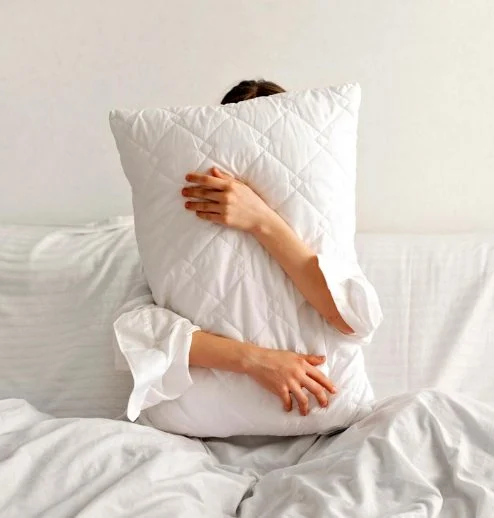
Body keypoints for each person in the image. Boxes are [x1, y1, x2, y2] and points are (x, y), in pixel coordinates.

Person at [114, 80, 379, 421]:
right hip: (200, 430)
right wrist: (257, 361)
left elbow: (352, 320)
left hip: (324, 426)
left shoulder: (323, 241)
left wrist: (261, 220)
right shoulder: (170, 244)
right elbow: (136, 334)